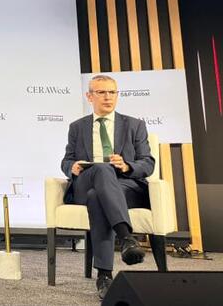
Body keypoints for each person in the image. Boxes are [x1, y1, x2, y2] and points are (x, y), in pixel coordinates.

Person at [61, 74, 153, 300]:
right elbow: (66, 160)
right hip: (87, 180)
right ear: (89, 96)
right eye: (101, 92)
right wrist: (71, 167)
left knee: (97, 197)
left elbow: (148, 163)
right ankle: (126, 237)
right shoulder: (77, 127)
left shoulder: (135, 125)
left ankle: (104, 276)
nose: (108, 97)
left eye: (112, 92)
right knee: (101, 170)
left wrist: (126, 165)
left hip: (124, 185)